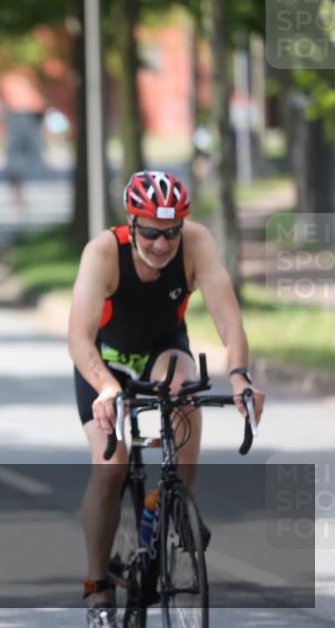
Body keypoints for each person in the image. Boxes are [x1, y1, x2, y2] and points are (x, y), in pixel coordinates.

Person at [67, 170, 266, 628]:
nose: (162, 244)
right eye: (152, 234)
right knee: (111, 469)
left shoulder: (197, 243)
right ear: (132, 224)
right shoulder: (103, 252)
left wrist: (240, 376)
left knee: (184, 389)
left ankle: (176, 501)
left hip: (162, 349)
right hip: (104, 362)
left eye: (171, 233)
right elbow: (78, 338)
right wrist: (107, 387)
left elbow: (229, 321)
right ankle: (98, 587)